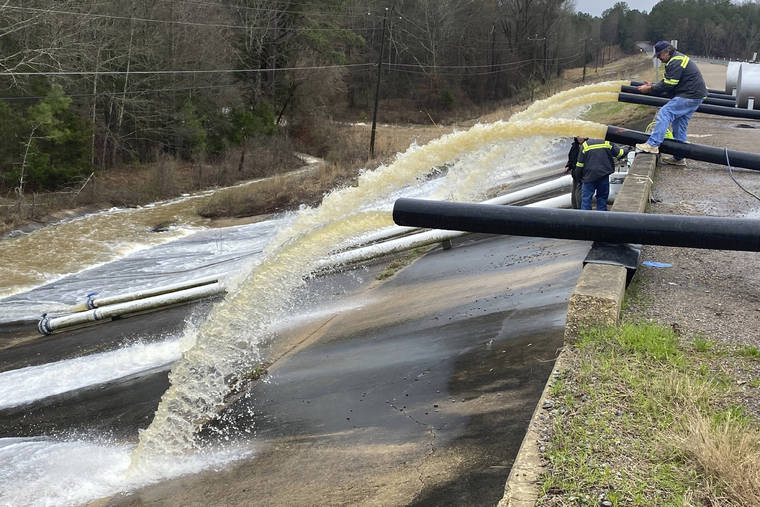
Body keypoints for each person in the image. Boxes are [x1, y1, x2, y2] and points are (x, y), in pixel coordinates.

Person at [635, 41, 707, 166]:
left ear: (667, 52)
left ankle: (653, 144)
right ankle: (679, 156)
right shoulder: (675, 60)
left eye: (659, 55)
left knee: (665, 112)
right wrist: (652, 86)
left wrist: (650, 89)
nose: (658, 58)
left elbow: (669, 84)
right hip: (695, 95)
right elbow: (669, 83)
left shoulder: (676, 61)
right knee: (679, 123)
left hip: (689, 94)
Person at [575, 138, 629, 211]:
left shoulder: (585, 145)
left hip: (588, 177)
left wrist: (578, 177)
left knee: (586, 199)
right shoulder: (607, 142)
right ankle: (602, 218)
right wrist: (627, 148)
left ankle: (585, 219)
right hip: (603, 175)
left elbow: (579, 165)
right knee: (602, 198)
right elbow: (619, 153)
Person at [564, 136, 586, 209]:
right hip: (576, 172)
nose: (579, 138)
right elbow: (571, 158)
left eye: (581, 136)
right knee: (576, 191)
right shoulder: (574, 146)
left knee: (577, 191)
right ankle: (578, 208)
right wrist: (568, 166)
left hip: (583, 172)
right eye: (578, 136)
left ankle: (578, 208)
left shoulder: (586, 145)